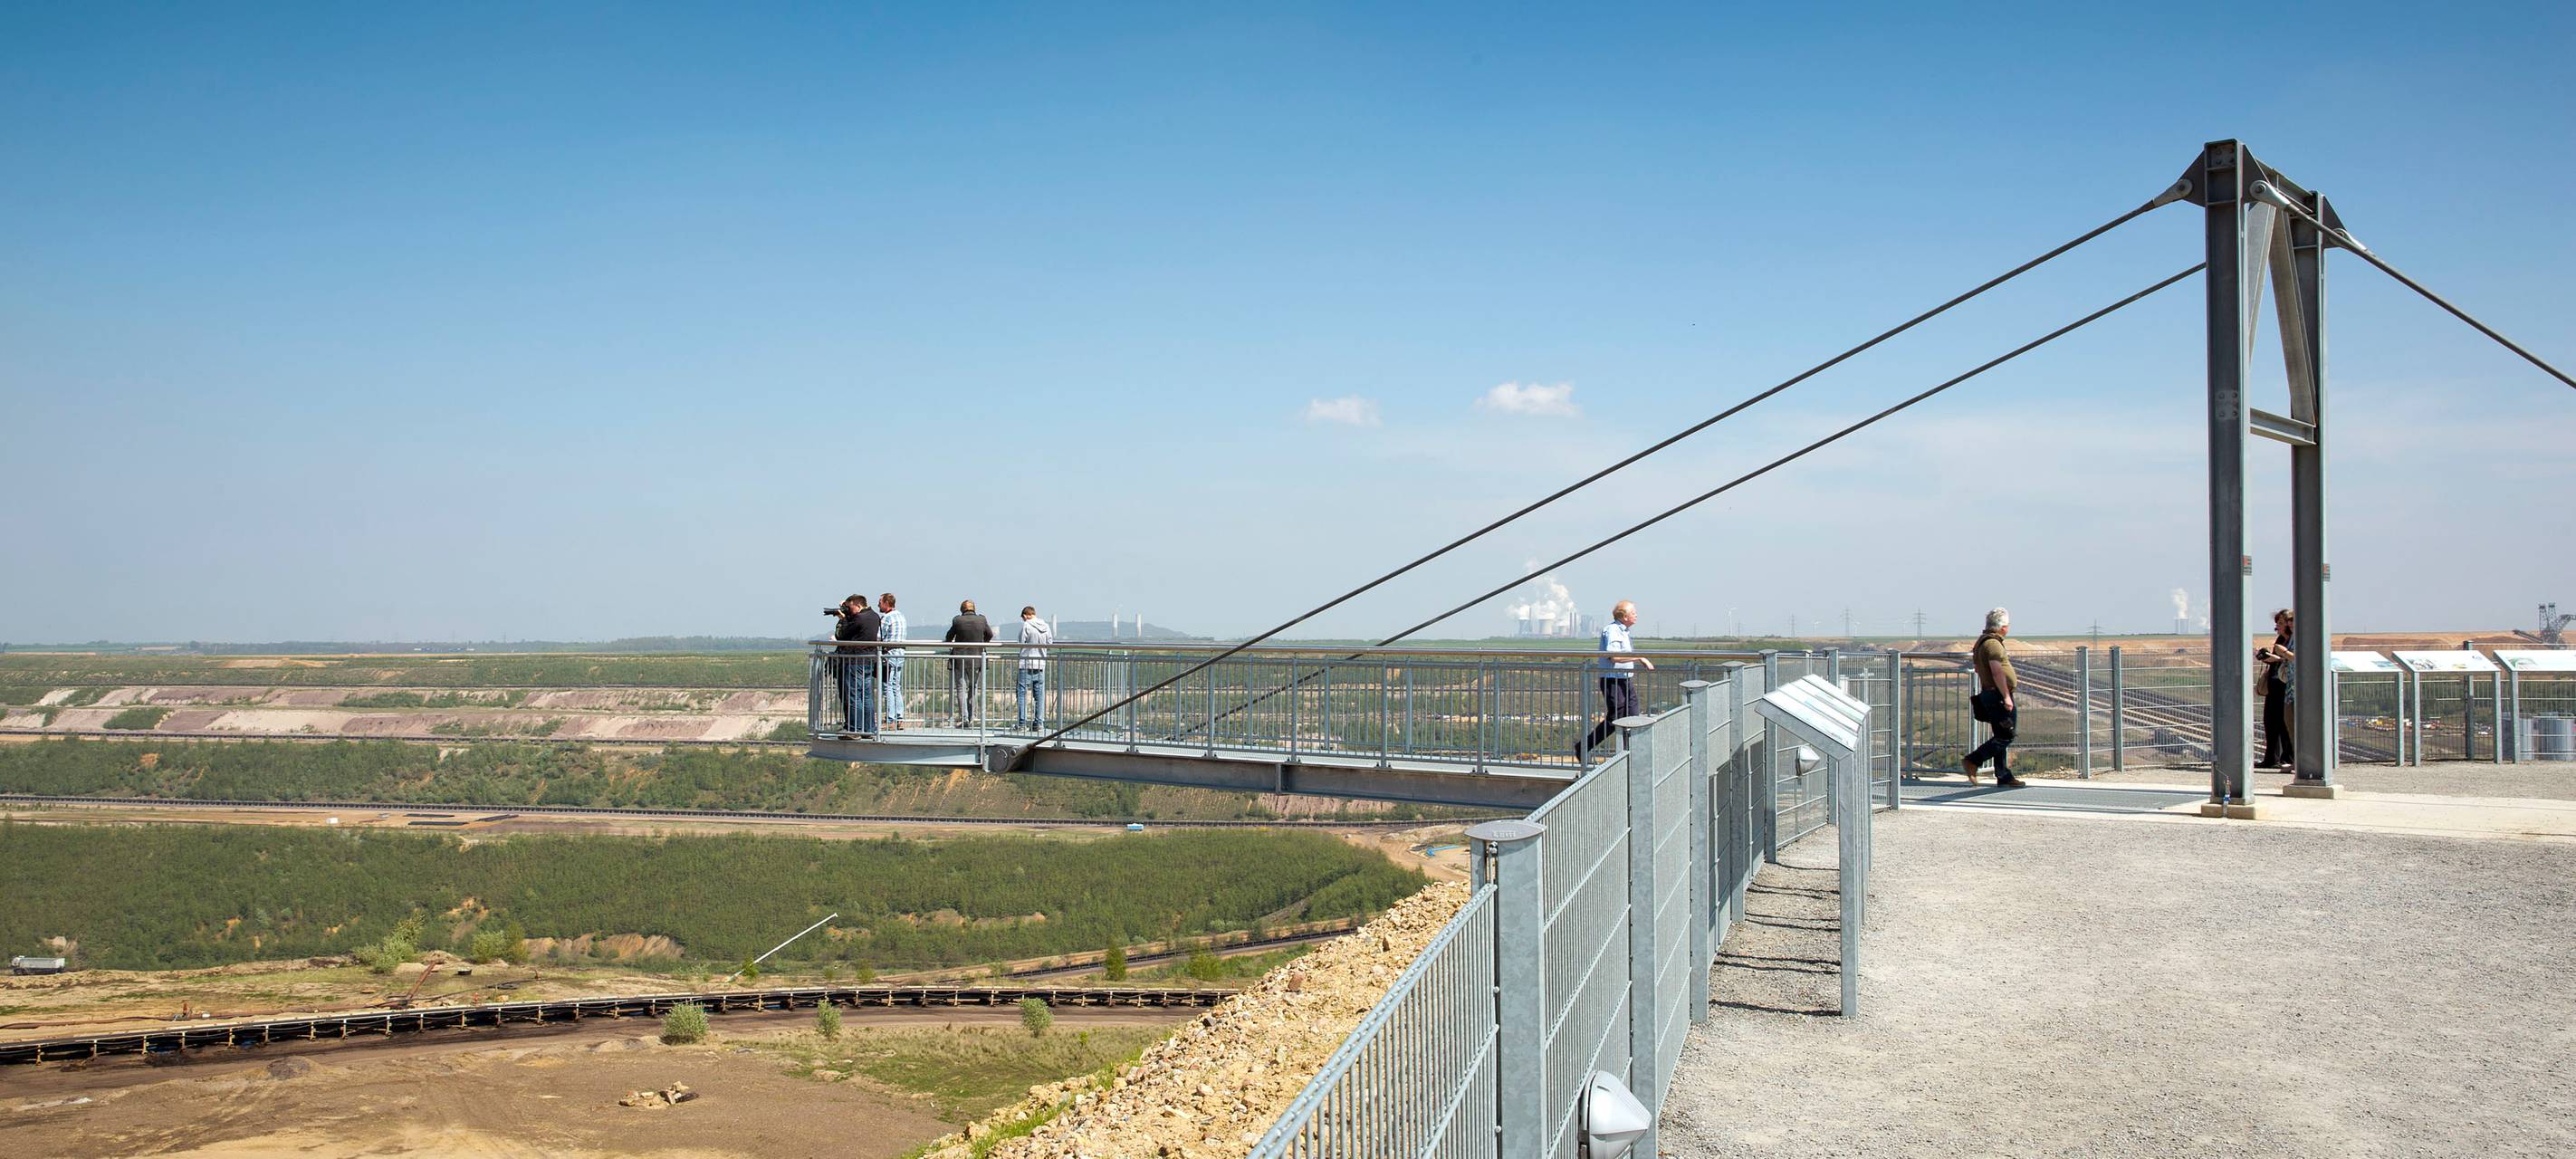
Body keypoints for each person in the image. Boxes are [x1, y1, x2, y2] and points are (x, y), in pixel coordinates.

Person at [1579, 600, 1656, 760]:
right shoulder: (1613, 630)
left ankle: (1632, 755)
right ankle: (1583, 747)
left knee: (1633, 717)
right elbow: (1613, 656)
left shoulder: (1624, 631)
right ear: (1624, 616)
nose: (1636, 615)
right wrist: (1639, 657)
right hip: (1612, 680)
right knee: (1615, 718)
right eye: (1633, 612)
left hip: (1625, 679)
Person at [1964, 608, 2025, 788]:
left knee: (2000, 735)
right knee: (2006, 736)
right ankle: (1973, 760)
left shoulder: (1982, 642)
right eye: (2007, 625)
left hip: (1990, 693)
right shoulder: (1993, 644)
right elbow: (1997, 672)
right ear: (2003, 627)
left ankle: (2003, 775)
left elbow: (1979, 668)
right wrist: (2006, 696)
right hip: (1997, 695)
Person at [829, 594, 881, 735]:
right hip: (869, 660)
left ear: (858, 605)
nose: (849, 610)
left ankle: (854, 729)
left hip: (855, 661)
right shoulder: (875, 616)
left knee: (854, 696)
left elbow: (842, 635)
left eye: (850, 607)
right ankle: (869, 729)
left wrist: (842, 619)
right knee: (866, 696)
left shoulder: (859, 618)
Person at [944, 599, 995, 726]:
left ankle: (964, 718)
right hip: (977, 658)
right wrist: (982, 643)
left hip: (959, 659)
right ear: (974, 608)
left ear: (962, 609)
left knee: (961, 689)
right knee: (974, 687)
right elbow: (990, 634)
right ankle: (973, 716)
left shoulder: (957, 620)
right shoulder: (982, 620)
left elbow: (949, 637)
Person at [2256, 608, 2296, 770]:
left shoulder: (2292, 641)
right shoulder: (2281, 640)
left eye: (2281, 623)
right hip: (2275, 686)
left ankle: (2288, 758)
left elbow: (2293, 659)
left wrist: (2280, 656)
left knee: (2286, 724)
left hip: (2286, 686)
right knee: (2271, 722)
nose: (2278, 627)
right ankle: (2271, 757)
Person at [1015, 606, 1053, 730]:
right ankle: (1039, 723)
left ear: (1025, 615)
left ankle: (1022, 723)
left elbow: (1021, 642)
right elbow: (1050, 643)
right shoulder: (1046, 626)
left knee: (1022, 693)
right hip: (1041, 663)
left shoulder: (1026, 625)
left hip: (1025, 663)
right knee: (1039, 695)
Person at [876, 593, 908, 730]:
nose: (878, 605)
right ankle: (899, 718)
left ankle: (890, 720)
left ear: (886, 603)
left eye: (880, 602)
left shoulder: (887, 618)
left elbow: (878, 637)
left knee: (887, 687)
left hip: (889, 655)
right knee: (896, 686)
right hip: (900, 653)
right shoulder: (901, 616)